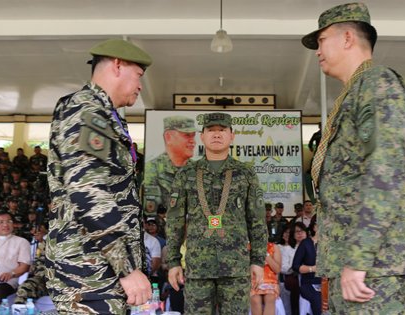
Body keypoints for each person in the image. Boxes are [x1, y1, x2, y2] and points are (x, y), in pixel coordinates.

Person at [303, 3, 405, 313]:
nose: (317, 51)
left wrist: (359, 258)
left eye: (321, 40)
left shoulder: (377, 83)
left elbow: (387, 171)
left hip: (373, 264)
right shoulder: (355, 92)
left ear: (347, 37)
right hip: (356, 262)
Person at [46, 38, 153, 314]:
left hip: (102, 272)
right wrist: (127, 269)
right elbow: (88, 191)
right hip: (87, 272)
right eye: (139, 75)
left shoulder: (108, 115)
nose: (141, 85)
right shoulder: (85, 108)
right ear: (117, 65)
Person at [166, 112, 267, 314]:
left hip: (236, 267)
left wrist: (257, 261)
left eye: (222, 130)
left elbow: (256, 220)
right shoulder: (186, 173)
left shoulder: (245, 173)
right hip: (198, 267)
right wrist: (173, 261)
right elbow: (175, 220)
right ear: (201, 136)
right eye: (211, 130)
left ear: (232, 136)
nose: (217, 135)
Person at [143, 116, 196, 214]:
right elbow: (150, 208)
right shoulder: (152, 169)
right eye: (187, 135)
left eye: (193, 135)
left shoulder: (198, 169)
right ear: (168, 137)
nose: (193, 141)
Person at [0, 211, 32, 314]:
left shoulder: (21, 242)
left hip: (7, 282)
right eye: (1, 222)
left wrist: (11, 273)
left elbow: (25, 266)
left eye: (9, 221)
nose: (5, 225)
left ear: (14, 224)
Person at [292, 222, 322, 315]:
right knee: (318, 299)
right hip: (310, 283)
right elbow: (295, 266)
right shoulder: (306, 243)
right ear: (314, 227)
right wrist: (313, 268)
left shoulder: (332, 244)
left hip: (328, 283)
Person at [251, 242, 281, 315]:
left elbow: (277, 269)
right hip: (253, 280)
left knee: (270, 298)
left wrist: (266, 255)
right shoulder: (246, 246)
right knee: (255, 299)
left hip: (270, 281)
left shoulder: (274, 247)